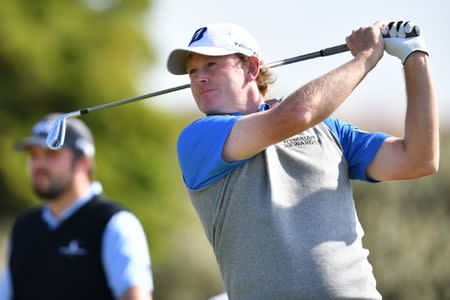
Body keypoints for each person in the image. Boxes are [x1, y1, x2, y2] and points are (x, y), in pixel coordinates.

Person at [167, 21, 439, 299]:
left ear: (251, 68)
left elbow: (418, 159)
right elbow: (297, 115)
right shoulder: (197, 139)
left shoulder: (327, 129)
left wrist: (414, 56)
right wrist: (366, 57)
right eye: (192, 71)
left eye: (211, 65)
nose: (199, 78)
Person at [0, 114, 154, 300]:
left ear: (83, 161)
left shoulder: (116, 224)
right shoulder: (23, 226)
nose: (38, 164)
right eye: (33, 155)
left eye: (51, 152)